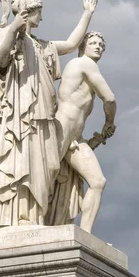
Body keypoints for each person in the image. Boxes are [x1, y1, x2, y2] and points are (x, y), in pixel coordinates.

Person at [0, 0, 98, 228]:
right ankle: (15, 217)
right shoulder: (7, 35)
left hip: (44, 115)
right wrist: (13, 28)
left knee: (48, 168)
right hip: (19, 117)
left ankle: (34, 216)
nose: (42, 19)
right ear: (28, 13)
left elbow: (70, 43)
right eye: (39, 13)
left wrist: (87, 14)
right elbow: (0, 62)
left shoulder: (43, 45)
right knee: (19, 161)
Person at [48, 32, 116, 233]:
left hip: (74, 136)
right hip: (62, 128)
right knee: (47, 177)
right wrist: (109, 123)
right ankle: (31, 221)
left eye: (101, 45)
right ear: (83, 46)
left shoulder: (87, 68)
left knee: (97, 182)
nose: (98, 47)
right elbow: (110, 99)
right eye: (93, 43)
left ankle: (84, 236)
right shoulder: (84, 64)